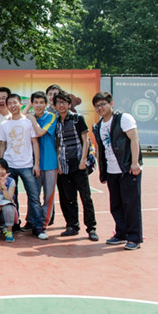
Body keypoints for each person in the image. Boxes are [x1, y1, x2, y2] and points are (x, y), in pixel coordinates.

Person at [92, 91, 143, 250]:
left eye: (103, 104)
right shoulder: (98, 126)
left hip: (127, 168)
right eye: (97, 106)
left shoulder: (123, 118)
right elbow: (102, 150)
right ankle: (121, 233)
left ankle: (134, 238)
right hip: (112, 170)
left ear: (111, 104)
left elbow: (134, 139)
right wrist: (103, 172)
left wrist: (134, 162)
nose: (100, 108)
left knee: (131, 204)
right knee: (116, 205)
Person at [0, 93, 47, 240]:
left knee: (34, 196)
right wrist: (1, 166)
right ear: (7, 106)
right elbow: (2, 145)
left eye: (15, 103)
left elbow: (35, 143)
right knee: (11, 197)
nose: (12, 106)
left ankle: (38, 227)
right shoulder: (4, 124)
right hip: (10, 165)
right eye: (9, 103)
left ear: (20, 104)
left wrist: (36, 164)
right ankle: (14, 224)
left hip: (27, 165)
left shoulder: (28, 122)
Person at [54, 91, 98, 241]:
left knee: (86, 197)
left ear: (69, 104)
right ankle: (72, 226)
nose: (61, 105)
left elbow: (85, 141)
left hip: (78, 164)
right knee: (69, 198)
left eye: (64, 102)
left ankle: (91, 228)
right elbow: (58, 144)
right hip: (64, 165)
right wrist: (59, 163)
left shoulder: (77, 119)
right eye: (58, 102)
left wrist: (83, 160)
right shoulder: (56, 122)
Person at [26, 91, 58, 229]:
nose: (38, 105)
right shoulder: (28, 117)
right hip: (34, 164)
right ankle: (31, 221)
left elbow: (40, 132)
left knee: (48, 196)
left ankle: (43, 223)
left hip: (50, 163)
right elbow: (21, 117)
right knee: (33, 195)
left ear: (45, 104)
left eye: (41, 102)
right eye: (35, 102)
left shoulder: (51, 116)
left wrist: (32, 119)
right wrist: (29, 109)